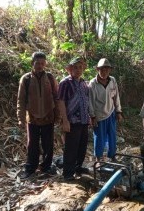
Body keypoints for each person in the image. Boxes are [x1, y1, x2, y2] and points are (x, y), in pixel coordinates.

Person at [16, 51, 60, 179]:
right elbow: (21, 100)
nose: (40, 66)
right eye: (37, 63)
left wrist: (58, 116)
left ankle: (46, 167)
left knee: (48, 145)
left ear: (45, 64)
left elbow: (56, 97)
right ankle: (30, 168)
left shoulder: (50, 78)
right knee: (32, 145)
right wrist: (21, 118)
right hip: (33, 119)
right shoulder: (26, 79)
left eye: (42, 63)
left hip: (48, 117)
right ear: (32, 63)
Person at [57, 56, 91, 180]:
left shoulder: (83, 83)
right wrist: (65, 120)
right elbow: (60, 101)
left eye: (80, 67)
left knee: (82, 146)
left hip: (83, 120)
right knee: (71, 147)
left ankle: (78, 167)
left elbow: (86, 101)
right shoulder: (65, 83)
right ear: (70, 69)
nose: (78, 70)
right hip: (72, 121)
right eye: (75, 67)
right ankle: (68, 173)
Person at [88, 58, 123, 162]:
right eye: (102, 70)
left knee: (112, 136)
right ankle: (98, 159)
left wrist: (118, 111)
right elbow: (90, 102)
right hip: (99, 115)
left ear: (109, 70)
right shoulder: (93, 83)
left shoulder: (112, 80)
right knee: (99, 138)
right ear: (98, 70)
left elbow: (116, 96)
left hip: (111, 113)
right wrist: (92, 116)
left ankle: (112, 156)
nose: (104, 72)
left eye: (107, 70)